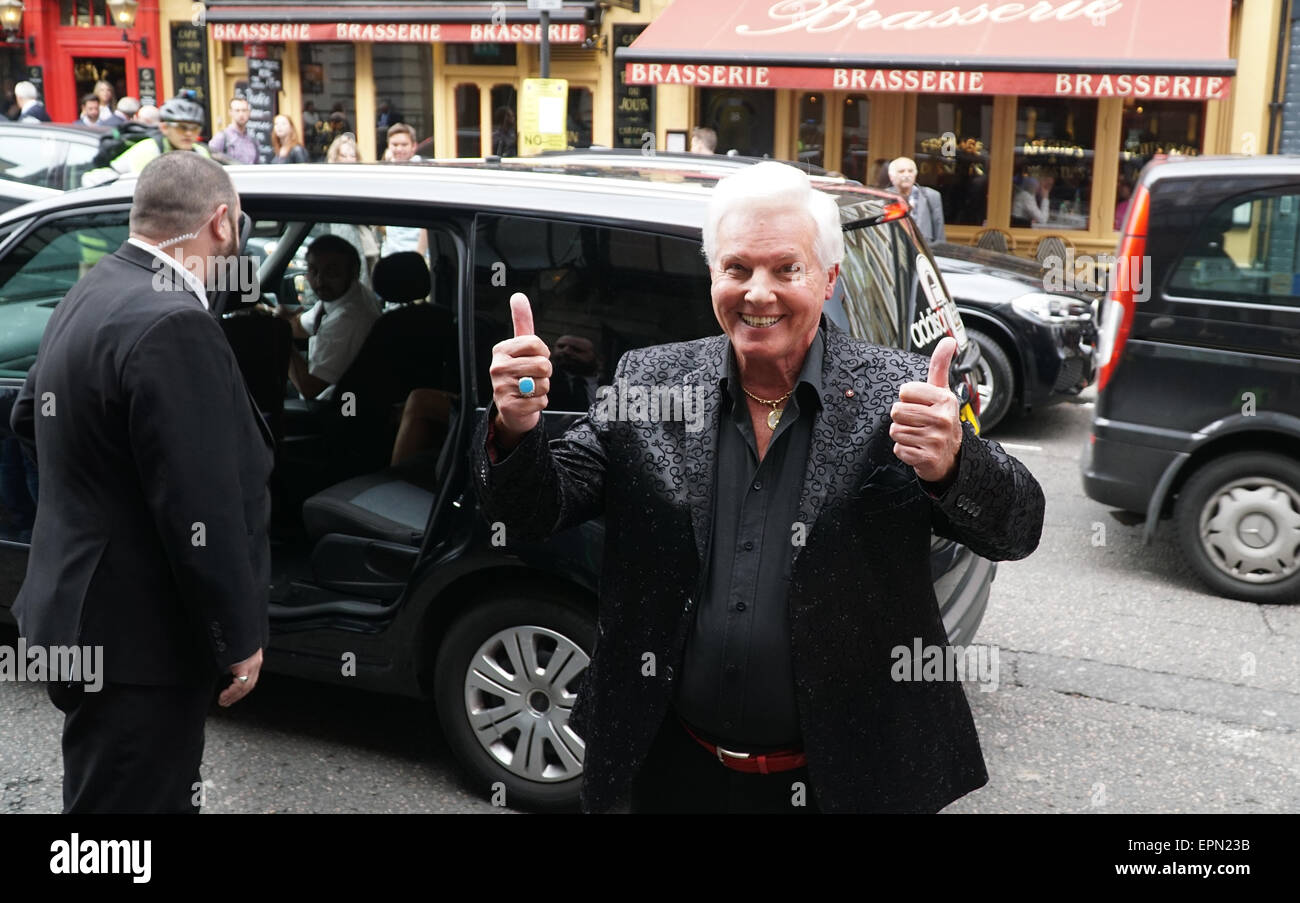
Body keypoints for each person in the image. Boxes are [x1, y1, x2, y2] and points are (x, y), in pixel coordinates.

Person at [473, 161, 1045, 813]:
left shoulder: (899, 392)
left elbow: (1017, 527)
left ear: (829, 278)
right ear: (713, 274)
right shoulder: (652, 382)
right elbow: (531, 510)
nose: (758, 292)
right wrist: (517, 427)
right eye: (737, 267)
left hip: (846, 779)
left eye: (785, 268)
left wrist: (953, 463)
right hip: (672, 766)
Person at [9, 153, 274, 813]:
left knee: (106, 798)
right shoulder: (176, 322)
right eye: (237, 227)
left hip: (78, 610)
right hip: (140, 639)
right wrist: (238, 635)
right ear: (220, 222)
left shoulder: (95, 284)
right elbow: (198, 509)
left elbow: (26, 415)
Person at [272, 235, 380, 400]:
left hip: (334, 409)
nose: (319, 280)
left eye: (332, 273)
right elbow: (300, 326)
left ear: (353, 273)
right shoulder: (343, 296)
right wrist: (279, 319)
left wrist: (279, 335)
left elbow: (308, 388)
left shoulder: (349, 318)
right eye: (313, 271)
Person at [83, 94, 211, 185]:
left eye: (195, 128)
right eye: (181, 127)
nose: (189, 133)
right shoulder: (148, 152)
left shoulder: (201, 153)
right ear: (164, 127)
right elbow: (143, 196)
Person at [381, 124, 426, 257]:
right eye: (394, 144)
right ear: (388, 146)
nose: (399, 148)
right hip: (390, 252)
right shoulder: (388, 173)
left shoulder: (422, 174)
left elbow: (427, 218)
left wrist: (421, 254)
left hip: (415, 253)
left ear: (414, 146)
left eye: (404, 144)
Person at [888, 156, 945, 245]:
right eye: (901, 171)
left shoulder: (931, 196)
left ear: (915, 175)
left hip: (924, 252)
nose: (907, 175)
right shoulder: (884, 197)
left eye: (910, 171)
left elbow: (939, 235)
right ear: (891, 176)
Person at [208, 96, 259, 164]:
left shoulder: (253, 140)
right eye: (237, 110)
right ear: (230, 112)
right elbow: (209, 161)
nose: (241, 114)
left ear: (249, 112)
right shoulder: (222, 137)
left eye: (244, 110)